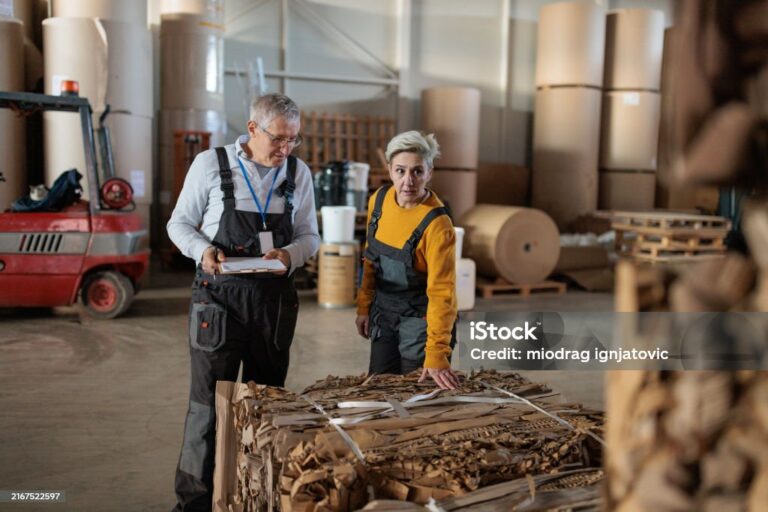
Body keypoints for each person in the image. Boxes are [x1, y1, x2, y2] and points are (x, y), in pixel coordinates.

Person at [167, 93, 320, 512]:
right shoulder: (211, 165)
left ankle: (257, 499)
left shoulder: (297, 171)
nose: (286, 149)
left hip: (273, 302)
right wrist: (202, 251)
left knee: (266, 405)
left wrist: (291, 255)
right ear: (253, 129)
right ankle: (195, 504)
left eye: (294, 140)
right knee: (209, 407)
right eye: (279, 139)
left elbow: (310, 235)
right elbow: (178, 223)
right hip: (218, 300)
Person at [355, 130, 461, 390]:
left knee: (416, 398)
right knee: (379, 390)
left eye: (417, 172)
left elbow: (442, 293)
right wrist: (364, 306)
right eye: (400, 171)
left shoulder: (438, 225)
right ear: (390, 169)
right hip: (384, 314)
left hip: (421, 322)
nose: (408, 182)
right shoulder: (378, 202)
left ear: (429, 172)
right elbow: (370, 260)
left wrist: (436, 353)